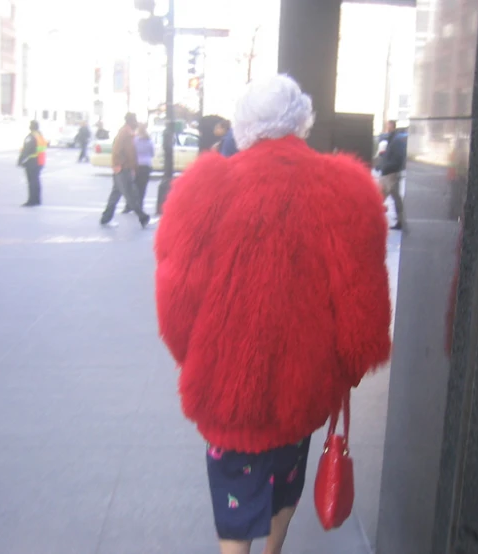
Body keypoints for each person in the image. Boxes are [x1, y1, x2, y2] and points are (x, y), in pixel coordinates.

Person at [155, 75, 392, 554]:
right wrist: (346, 366)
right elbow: (362, 301)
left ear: (244, 126)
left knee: (233, 486)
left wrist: (197, 357)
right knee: (287, 473)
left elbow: (175, 295)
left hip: (225, 385)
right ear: (302, 121)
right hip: (303, 382)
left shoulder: (204, 188)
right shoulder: (347, 189)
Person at [100, 113, 150, 228]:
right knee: (130, 194)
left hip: (122, 167)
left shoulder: (126, 132)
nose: (136, 123)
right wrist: (121, 164)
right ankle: (142, 216)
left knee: (116, 193)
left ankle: (106, 217)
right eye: (135, 121)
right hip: (124, 168)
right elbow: (120, 150)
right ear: (131, 122)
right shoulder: (125, 133)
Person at [378, 120, 408, 230]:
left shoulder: (396, 139)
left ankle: (400, 220)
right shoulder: (393, 138)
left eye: (388, 126)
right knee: (382, 196)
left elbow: (397, 157)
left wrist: (388, 166)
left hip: (390, 173)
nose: (387, 128)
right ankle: (375, 217)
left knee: (392, 197)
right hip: (388, 172)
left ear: (392, 126)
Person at [124, 123, 154, 215]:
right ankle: (140, 206)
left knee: (133, 186)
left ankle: (129, 206)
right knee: (142, 187)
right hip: (146, 165)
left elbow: (131, 152)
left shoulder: (135, 140)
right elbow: (152, 153)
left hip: (136, 165)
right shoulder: (149, 141)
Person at [17, 120, 47, 207]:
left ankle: (31, 200)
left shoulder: (31, 137)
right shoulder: (40, 135)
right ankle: (37, 199)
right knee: (36, 181)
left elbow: (26, 150)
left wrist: (20, 160)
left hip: (32, 161)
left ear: (31, 127)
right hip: (40, 161)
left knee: (31, 182)